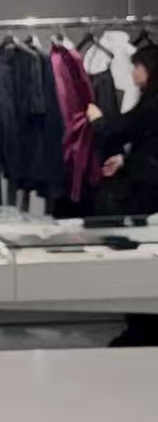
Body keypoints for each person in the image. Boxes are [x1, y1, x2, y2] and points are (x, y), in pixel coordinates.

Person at [86, 42, 158, 345]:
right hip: (147, 183)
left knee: (142, 258)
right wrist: (125, 160)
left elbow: (122, 130)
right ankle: (143, 326)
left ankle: (144, 329)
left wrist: (97, 120)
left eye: (138, 66)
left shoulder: (153, 103)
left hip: (148, 192)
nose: (133, 72)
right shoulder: (151, 101)